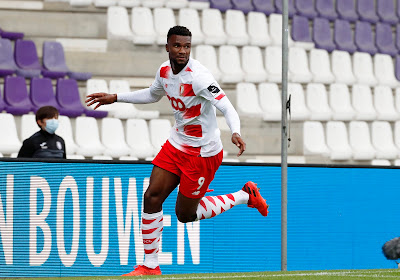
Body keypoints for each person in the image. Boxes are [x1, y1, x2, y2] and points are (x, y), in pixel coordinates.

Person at [86, 26, 269, 276]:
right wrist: (115, 97)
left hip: (202, 153)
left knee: (185, 215)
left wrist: (235, 131)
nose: (182, 51)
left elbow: (227, 107)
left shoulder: (199, 77)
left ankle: (244, 196)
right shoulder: (164, 71)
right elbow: (152, 95)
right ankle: (150, 266)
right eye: (177, 46)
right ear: (168, 47)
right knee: (152, 197)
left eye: (186, 46)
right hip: (176, 145)